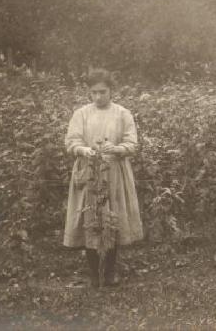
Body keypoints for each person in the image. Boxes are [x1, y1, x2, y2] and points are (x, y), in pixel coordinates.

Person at [64, 68, 143, 287]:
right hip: (88, 172)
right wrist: (84, 150)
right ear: (89, 92)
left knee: (111, 219)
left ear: (111, 91)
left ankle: (109, 273)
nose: (98, 97)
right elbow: (71, 141)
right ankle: (93, 275)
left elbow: (132, 143)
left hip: (114, 173)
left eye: (103, 92)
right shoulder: (81, 114)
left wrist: (116, 148)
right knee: (90, 219)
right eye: (94, 92)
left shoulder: (122, 113)